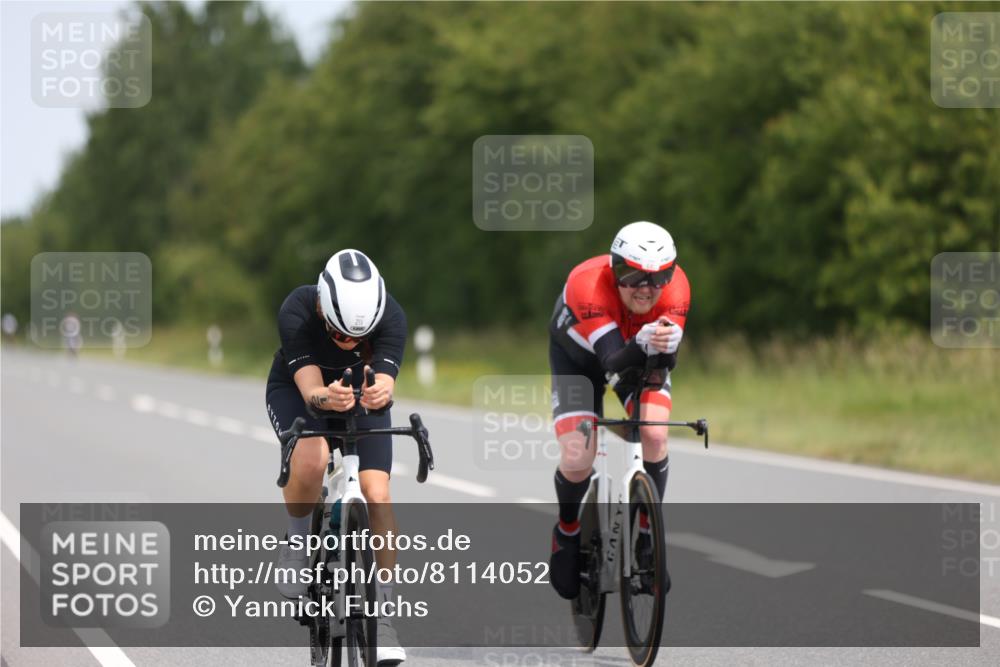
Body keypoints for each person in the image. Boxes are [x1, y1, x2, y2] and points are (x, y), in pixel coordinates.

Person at [265, 249, 407, 664]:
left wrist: (381, 392)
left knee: (377, 493)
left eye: (358, 338)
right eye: (339, 334)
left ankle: (383, 616)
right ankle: (296, 541)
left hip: (357, 394)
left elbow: (385, 382)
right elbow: (311, 390)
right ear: (322, 310)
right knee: (313, 457)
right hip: (299, 391)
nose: (349, 343)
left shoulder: (391, 316)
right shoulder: (297, 309)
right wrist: (326, 397)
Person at [547, 221, 690, 599]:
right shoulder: (588, 284)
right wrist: (643, 341)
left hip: (636, 355)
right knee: (578, 455)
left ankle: (647, 535)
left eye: (659, 277)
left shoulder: (678, 288)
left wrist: (668, 349)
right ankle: (567, 531)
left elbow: (662, 365)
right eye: (633, 275)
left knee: (655, 435)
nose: (646, 288)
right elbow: (611, 361)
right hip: (579, 360)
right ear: (614, 269)